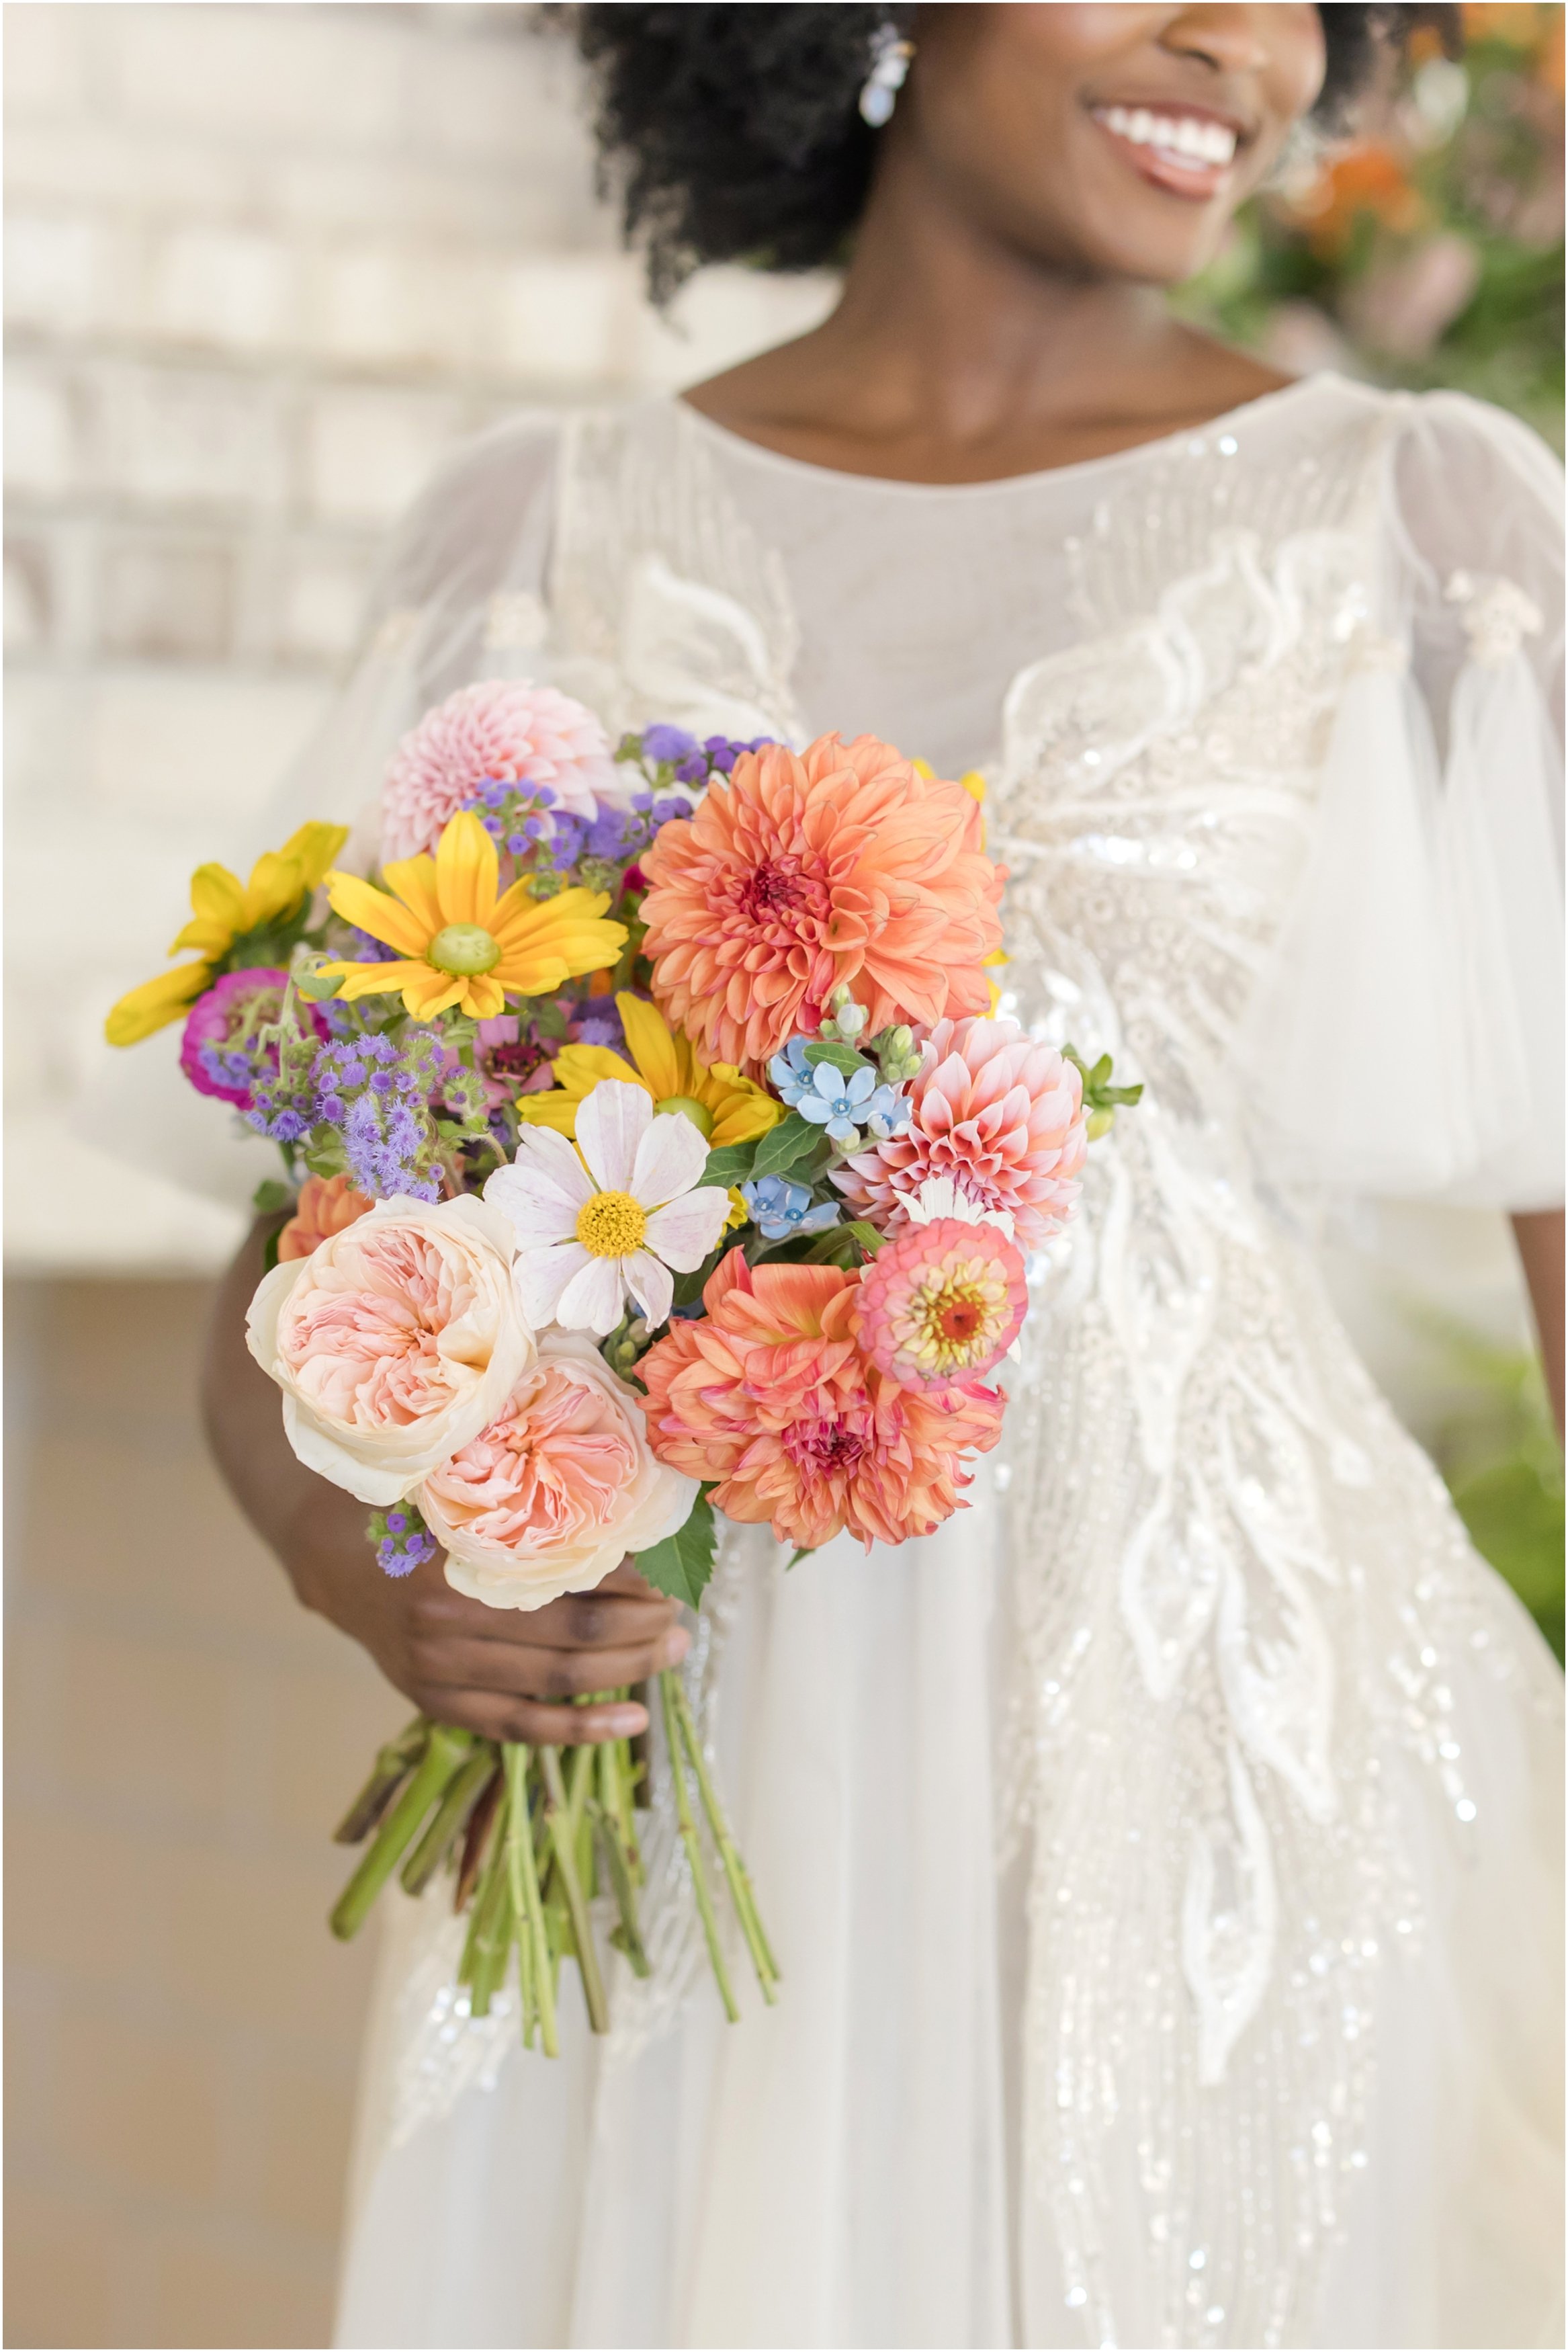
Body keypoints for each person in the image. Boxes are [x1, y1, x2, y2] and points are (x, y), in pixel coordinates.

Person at [202, 7, 1565, 2345]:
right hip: (667, 1790)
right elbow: (291, 1299)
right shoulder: (537, 537)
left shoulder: (1426, 525)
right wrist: (382, 1582)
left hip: (1225, 1792)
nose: (1242, 46)